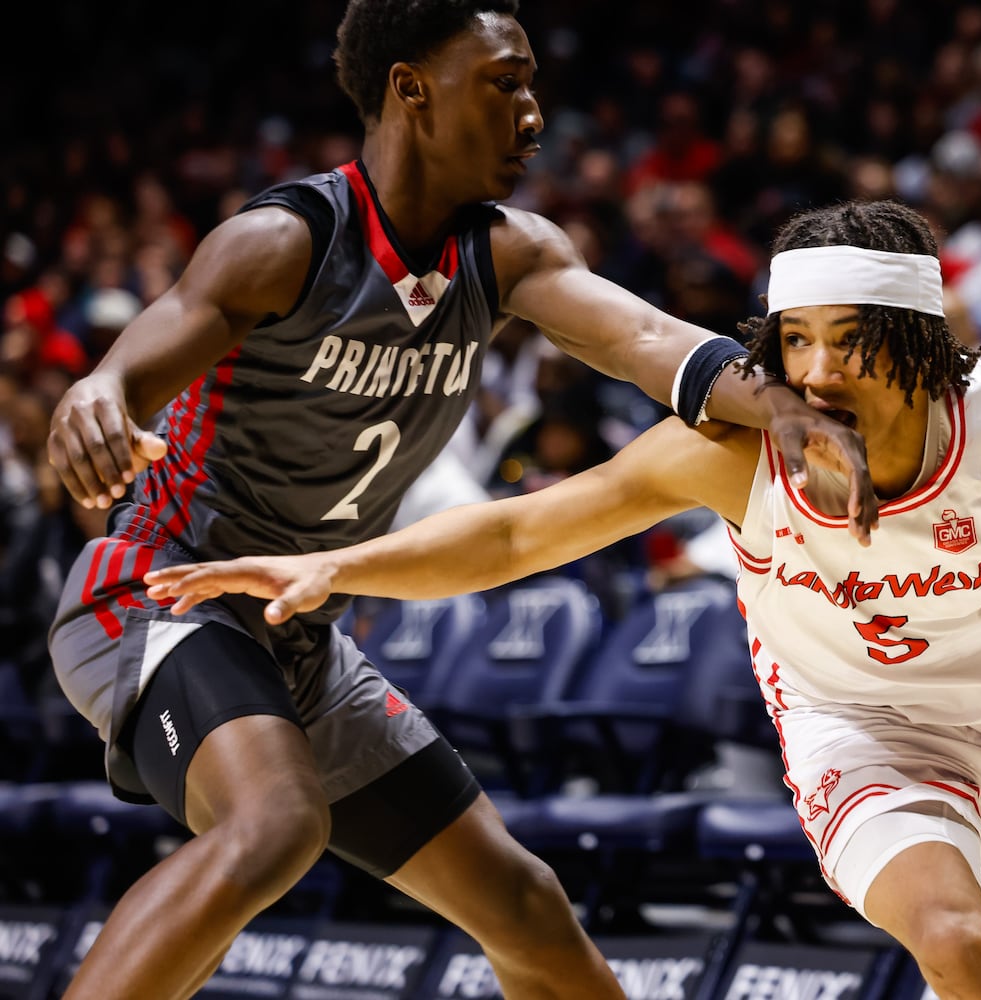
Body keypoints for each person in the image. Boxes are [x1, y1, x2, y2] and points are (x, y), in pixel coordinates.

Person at [148, 200, 981, 1000]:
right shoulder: (730, 450)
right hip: (854, 729)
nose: (810, 371)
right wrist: (341, 565)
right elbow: (525, 529)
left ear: (918, 345)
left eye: (845, 341)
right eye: (793, 339)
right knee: (957, 940)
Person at [42, 3, 877, 998]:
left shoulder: (508, 254)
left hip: (299, 637)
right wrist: (95, 395)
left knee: (522, 904)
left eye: (531, 86)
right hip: (161, 590)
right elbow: (126, 371)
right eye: (504, 82)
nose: (532, 115)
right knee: (272, 826)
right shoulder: (284, 241)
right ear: (412, 90)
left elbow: (649, 341)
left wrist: (785, 407)